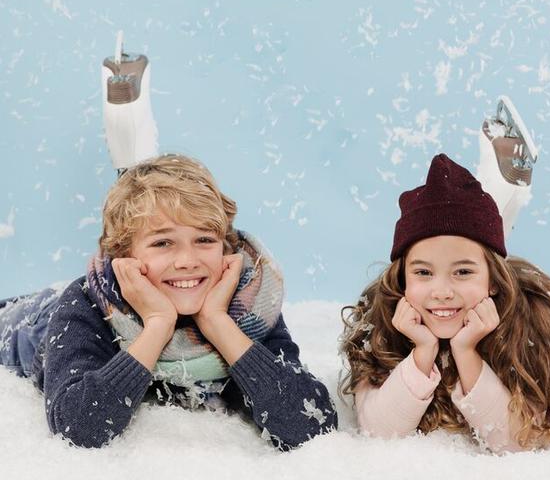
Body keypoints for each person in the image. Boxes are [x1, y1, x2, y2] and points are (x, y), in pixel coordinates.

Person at [339, 99, 550, 453]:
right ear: (402, 278)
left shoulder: (538, 322)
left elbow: (517, 442)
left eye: (462, 272)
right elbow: (380, 432)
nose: (441, 291)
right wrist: (423, 351)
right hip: (488, 287)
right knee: (471, 248)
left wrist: (467, 352)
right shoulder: (381, 322)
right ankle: (495, 195)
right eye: (423, 272)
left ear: (493, 281)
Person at [0, 154, 337, 450]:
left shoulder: (248, 307)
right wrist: (158, 326)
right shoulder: (86, 305)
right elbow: (78, 427)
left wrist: (219, 324)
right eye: (163, 243)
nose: (188, 260)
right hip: (37, 323)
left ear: (226, 247)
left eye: (204, 239)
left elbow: (312, 424)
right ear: (124, 255)